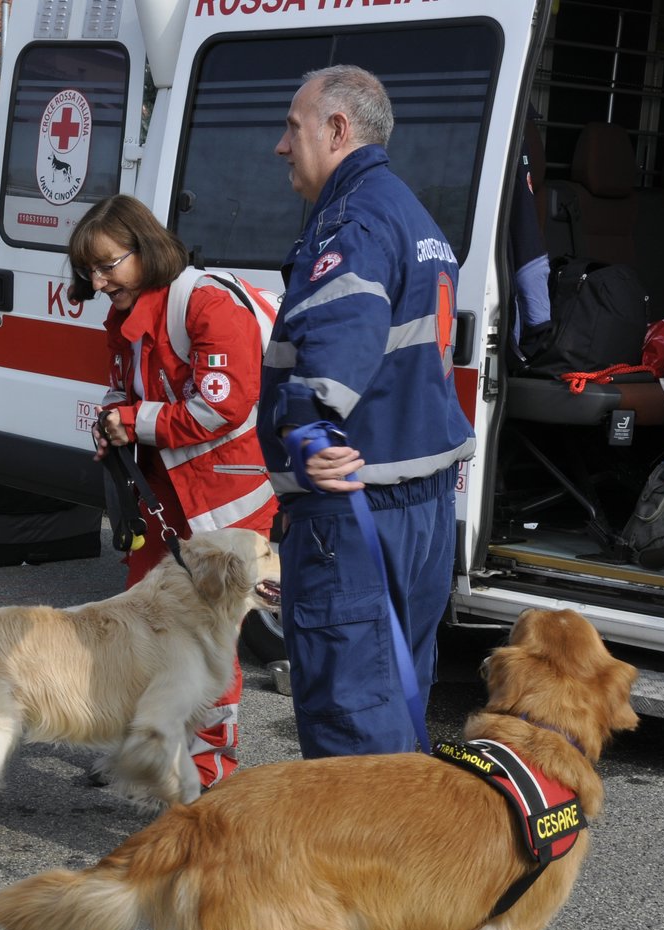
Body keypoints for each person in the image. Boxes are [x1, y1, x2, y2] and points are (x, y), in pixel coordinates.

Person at [257, 65, 475, 759]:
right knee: (397, 699)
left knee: (351, 718)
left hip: (357, 516)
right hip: (420, 513)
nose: (281, 146)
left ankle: (360, 869)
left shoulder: (351, 221)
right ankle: (405, 862)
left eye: (293, 127)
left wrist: (307, 428)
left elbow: (334, 342)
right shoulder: (415, 216)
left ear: (337, 129)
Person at [68, 194, 277, 789]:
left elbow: (221, 405)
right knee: (142, 624)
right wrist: (111, 424)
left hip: (225, 500)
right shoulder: (131, 313)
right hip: (166, 496)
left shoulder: (206, 302)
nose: (98, 281)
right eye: (90, 270)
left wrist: (130, 423)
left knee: (208, 640)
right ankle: (145, 749)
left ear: (146, 248)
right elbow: (121, 390)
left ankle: (207, 769)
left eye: (108, 265)